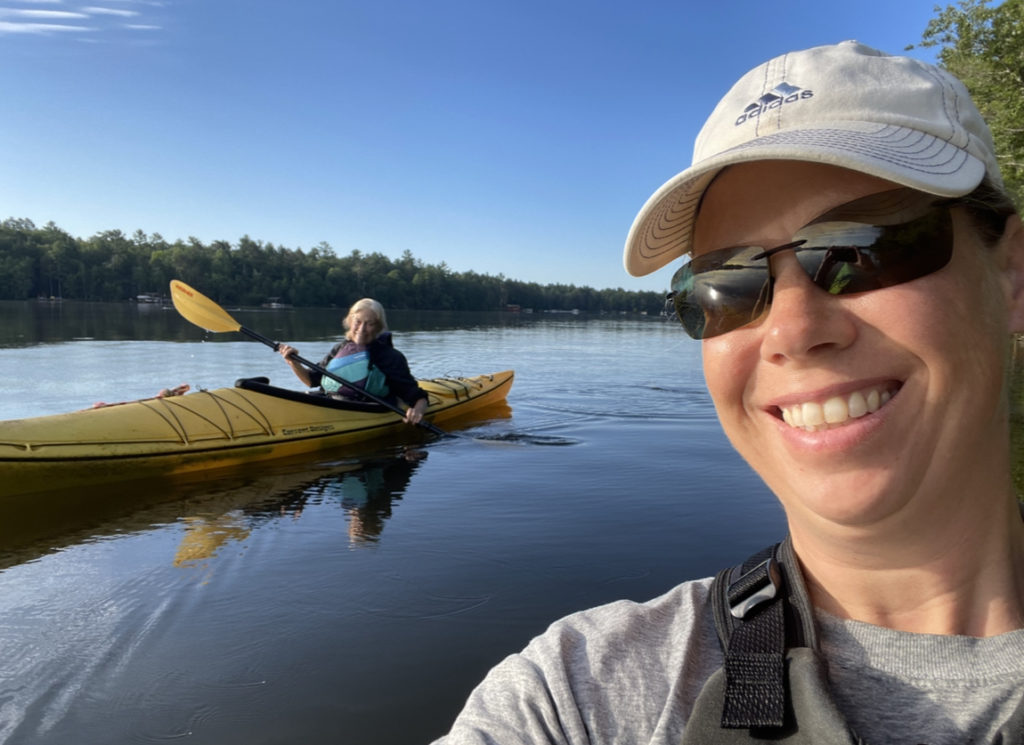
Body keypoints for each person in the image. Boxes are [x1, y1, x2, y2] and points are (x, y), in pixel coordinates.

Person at [434, 41, 1024, 744]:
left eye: (863, 250)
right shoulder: (576, 697)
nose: (793, 329)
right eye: (727, 286)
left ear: (1013, 275)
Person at [278, 297, 429, 425]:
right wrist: (293, 362)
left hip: (364, 412)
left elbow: (418, 397)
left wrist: (417, 411)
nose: (361, 329)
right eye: (358, 321)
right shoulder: (340, 348)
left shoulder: (390, 357)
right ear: (350, 321)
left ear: (378, 327)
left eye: (369, 324)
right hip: (329, 404)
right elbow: (311, 381)